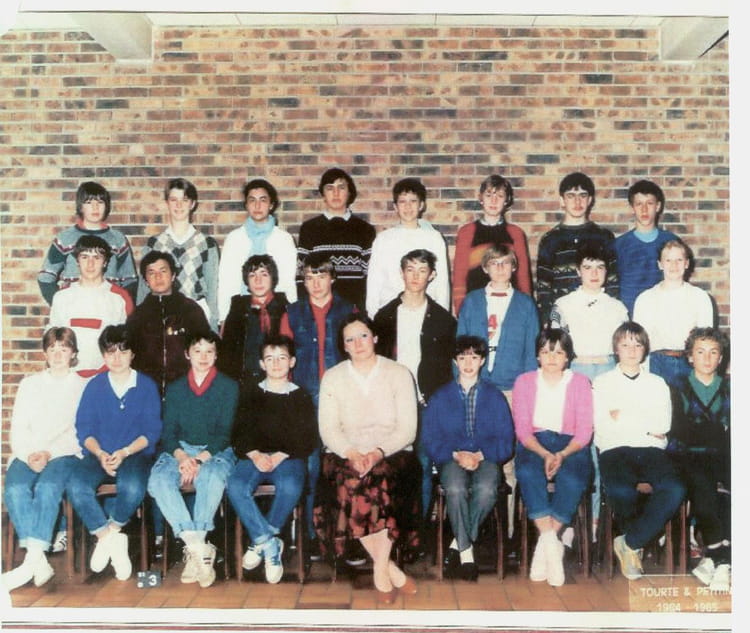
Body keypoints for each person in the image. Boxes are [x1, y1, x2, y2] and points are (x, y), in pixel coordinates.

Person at [315, 314, 419, 604]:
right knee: (350, 480)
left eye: (363, 336)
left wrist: (377, 453)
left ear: (375, 338)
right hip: (345, 452)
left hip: (392, 452)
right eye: (350, 339)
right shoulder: (333, 377)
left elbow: (407, 429)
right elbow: (328, 429)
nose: (358, 343)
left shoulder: (399, 373)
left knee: (378, 479)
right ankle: (389, 570)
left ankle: (380, 570)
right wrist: (351, 452)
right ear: (344, 346)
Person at [66, 325, 162, 580]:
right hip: (98, 454)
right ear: (103, 355)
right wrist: (100, 454)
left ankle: (113, 529)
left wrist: (125, 452)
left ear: (133, 354)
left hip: (135, 453)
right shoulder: (95, 386)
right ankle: (109, 538)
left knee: (132, 486)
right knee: (76, 485)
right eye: (110, 352)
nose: (117, 358)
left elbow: (151, 431)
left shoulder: (146, 386)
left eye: (123, 351)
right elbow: (84, 429)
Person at [593, 321, 686, 580]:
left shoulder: (657, 383)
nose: (632, 350)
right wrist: (644, 419)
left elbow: (663, 425)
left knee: (675, 488)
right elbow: (602, 424)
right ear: (616, 349)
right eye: (625, 345)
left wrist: (621, 415)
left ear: (645, 349)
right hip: (615, 449)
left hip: (651, 450)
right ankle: (636, 542)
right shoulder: (602, 382)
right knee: (620, 490)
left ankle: (630, 543)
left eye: (637, 345)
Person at [373, 248, 456, 533]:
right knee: (389, 466)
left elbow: (448, 371)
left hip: (426, 405)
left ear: (432, 275)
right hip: (391, 405)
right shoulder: (384, 316)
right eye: (410, 269)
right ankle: (388, 531)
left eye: (422, 270)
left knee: (421, 465)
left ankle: (415, 534)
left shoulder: (443, 320)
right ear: (402, 273)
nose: (416, 276)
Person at [147, 331, 238, 588]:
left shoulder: (228, 387)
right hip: (181, 451)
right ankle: (198, 547)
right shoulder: (175, 388)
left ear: (217, 355)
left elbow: (225, 434)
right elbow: (168, 433)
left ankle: (194, 553)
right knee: (158, 480)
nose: (203, 356)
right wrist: (183, 457)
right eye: (197, 351)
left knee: (211, 476)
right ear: (187, 354)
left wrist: (198, 461)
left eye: (210, 351)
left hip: (214, 452)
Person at [279, 253, 356, 557]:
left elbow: (358, 353)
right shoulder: (292, 312)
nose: (316, 283)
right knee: (311, 467)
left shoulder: (348, 310)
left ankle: (347, 536)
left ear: (332, 278)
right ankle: (311, 536)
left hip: (342, 399)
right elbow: (283, 360)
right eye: (310, 277)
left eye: (322, 276)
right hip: (305, 400)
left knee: (343, 466)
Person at [549, 243, 628, 540]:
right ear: (578, 271)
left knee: (603, 445)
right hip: (576, 372)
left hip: (607, 372)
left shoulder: (617, 308)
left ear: (607, 272)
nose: (594, 273)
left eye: (600, 267)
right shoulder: (563, 304)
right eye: (587, 267)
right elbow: (555, 347)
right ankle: (569, 521)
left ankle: (597, 523)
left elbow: (625, 350)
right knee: (576, 445)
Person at [422, 336, 514, 581]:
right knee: (455, 487)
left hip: (486, 458)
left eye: (474, 357)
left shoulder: (495, 397)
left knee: (487, 489)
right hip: (451, 457)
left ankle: (458, 543)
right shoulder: (440, 397)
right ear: (455, 361)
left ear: (482, 360)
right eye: (462, 358)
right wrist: (455, 454)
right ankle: (467, 556)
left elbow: (506, 441)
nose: (468, 363)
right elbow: (430, 439)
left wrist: (480, 455)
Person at [227, 335, 318, 584]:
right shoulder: (250, 393)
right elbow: (238, 433)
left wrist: (279, 455)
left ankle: (260, 540)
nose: (276, 364)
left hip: (287, 457)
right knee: (236, 485)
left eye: (282, 358)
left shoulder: (301, 396)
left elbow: (308, 437)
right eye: (270, 358)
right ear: (261, 364)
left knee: (291, 485)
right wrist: (255, 454)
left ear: (292, 362)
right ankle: (269, 543)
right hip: (253, 457)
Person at [2, 328, 86, 592]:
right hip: (29, 452)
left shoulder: (82, 386)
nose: (58, 355)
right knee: (15, 489)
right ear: (45, 354)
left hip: (64, 453)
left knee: (47, 487)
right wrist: (29, 454)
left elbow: (79, 432)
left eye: (64, 349)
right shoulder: (29, 384)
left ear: (73, 353)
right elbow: (18, 426)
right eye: (52, 349)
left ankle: (31, 560)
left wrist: (50, 453)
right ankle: (38, 562)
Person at [512, 328, 593, 587]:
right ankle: (551, 544)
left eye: (558, 352)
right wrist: (546, 453)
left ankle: (543, 547)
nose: (551, 358)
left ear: (568, 357)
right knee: (527, 472)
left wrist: (561, 454)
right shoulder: (524, 382)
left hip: (571, 444)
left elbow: (585, 432)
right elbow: (523, 431)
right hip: (535, 443)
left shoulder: (580, 382)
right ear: (537, 355)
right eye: (546, 351)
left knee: (573, 478)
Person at [669, 327, 731, 592]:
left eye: (713, 352)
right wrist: (716, 430)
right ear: (690, 357)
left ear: (721, 358)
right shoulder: (678, 386)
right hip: (687, 455)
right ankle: (723, 560)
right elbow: (679, 429)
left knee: (731, 489)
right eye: (701, 352)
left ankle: (713, 560)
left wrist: (713, 432)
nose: (707, 358)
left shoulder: (729, 388)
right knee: (703, 484)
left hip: (720, 454)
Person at [137, 178, 220, 330]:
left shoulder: (207, 244)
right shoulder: (154, 244)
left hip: (196, 317)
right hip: (160, 316)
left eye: (184, 200)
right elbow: (143, 289)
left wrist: (213, 328)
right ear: (167, 203)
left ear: (192, 204)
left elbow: (213, 291)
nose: (179, 205)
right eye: (174, 200)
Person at [536, 172, 618, 324]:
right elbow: (543, 288)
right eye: (571, 196)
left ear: (590, 200)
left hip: (598, 317)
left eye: (582, 195)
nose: (577, 201)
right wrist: (548, 321)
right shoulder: (550, 239)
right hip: (563, 318)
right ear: (562, 200)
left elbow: (613, 282)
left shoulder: (604, 237)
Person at [127, 250, 211, 397]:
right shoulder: (138, 315)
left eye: (163, 271)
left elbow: (206, 350)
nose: (158, 277)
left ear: (173, 276)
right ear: (145, 281)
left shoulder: (191, 310)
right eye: (151, 273)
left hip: (185, 389)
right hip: (147, 391)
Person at [38, 181, 137, 304]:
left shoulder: (118, 239)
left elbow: (130, 280)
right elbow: (45, 277)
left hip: (108, 308)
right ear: (80, 206)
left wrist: (124, 307)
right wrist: (61, 304)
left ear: (106, 206)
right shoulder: (65, 238)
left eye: (100, 202)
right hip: (75, 308)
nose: (95, 208)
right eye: (89, 203)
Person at [48, 235, 133, 377]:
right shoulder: (62, 297)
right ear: (77, 261)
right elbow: (53, 340)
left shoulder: (119, 298)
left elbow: (124, 343)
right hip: (68, 376)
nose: (90, 264)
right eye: (85, 257)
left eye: (97, 258)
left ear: (105, 262)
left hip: (106, 376)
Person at [457, 244, 538, 392]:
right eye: (494, 263)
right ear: (485, 268)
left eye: (505, 262)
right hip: (475, 384)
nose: (500, 268)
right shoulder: (472, 301)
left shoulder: (526, 304)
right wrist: (461, 382)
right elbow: (460, 344)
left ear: (513, 267)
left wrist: (528, 386)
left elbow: (531, 350)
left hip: (512, 385)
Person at [633, 239, 714, 386]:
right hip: (656, 363)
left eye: (679, 260)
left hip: (690, 363)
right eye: (668, 260)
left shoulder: (700, 297)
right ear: (660, 264)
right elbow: (639, 342)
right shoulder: (645, 299)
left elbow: (707, 341)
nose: (674, 265)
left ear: (686, 263)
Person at [217, 178, 297, 326]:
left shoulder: (284, 239)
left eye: (263, 200)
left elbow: (288, 282)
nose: (257, 205)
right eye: (252, 200)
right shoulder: (234, 239)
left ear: (271, 205)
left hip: (277, 311)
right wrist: (223, 318)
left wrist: (293, 315)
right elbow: (225, 283)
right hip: (240, 310)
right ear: (246, 205)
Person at [366, 178, 450, 317]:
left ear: (421, 205)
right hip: (390, 311)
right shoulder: (384, 239)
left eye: (413, 201)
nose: (408, 207)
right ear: (395, 207)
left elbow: (442, 283)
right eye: (402, 202)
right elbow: (374, 282)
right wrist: (373, 316)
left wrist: (442, 317)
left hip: (426, 311)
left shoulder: (434, 238)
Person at [297, 168, 375, 310]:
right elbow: (301, 275)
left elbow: (370, 276)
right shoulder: (309, 228)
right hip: (318, 308)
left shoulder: (365, 229)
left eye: (341, 187)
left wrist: (362, 311)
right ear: (323, 195)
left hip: (353, 307)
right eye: (330, 188)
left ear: (349, 193)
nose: (336, 193)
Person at [452, 174, 532, 313]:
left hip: (510, 307)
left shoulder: (516, 233)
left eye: (500, 196)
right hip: (476, 307)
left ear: (506, 200)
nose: (493, 201)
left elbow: (523, 277)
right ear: (481, 198)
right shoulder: (467, 232)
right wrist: (461, 309)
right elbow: (459, 276)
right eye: (489, 195)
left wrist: (526, 309)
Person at [219, 254, 289, 385]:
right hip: (243, 382)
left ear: (273, 278)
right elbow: (226, 353)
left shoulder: (285, 309)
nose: (258, 281)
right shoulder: (237, 309)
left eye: (264, 274)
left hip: (275, 381)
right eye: (252, 275)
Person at [614, 180, 678, 316]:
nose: (644, 209)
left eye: (649, 203)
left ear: (658, 206)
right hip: (630, 317)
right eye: (639, 204)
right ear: (632, 208)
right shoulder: (619, 245)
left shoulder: (671, 242)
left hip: (665, 314)